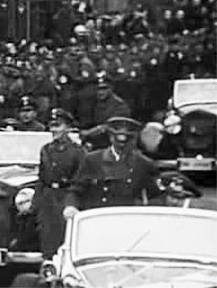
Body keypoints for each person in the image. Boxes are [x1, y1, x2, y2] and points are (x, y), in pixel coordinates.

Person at [63, 117, 163, 219]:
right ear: (110, 137)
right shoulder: (93, 159)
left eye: (127, 140)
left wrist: (144, 212)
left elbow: (157, 196)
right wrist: (71, 206)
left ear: (135, 139)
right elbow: (76, 189)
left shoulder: (144, 164)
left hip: (128, 219)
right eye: (118, 140)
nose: (122, 146)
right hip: (96, 218)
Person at [35, 109, 85, 263]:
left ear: (67, 128)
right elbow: (42, 178)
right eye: (51, 126)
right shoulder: (46, 149)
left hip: (65, 198)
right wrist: (36, 203)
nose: (53, 130)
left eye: (57, 126)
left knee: (65, 239)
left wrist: (72, 203)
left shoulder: (77, 152)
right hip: (48, 198)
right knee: (47, 239)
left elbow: (80, 180)